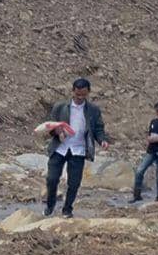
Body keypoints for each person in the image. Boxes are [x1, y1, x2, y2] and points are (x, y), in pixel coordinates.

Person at [43, 78, 110, 218]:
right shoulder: (60, 107)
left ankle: (67, 209)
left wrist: (102, 140)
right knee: (52, 179)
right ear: (72, 91)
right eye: (77, 94)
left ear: (88, 93)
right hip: (60, 147)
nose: (80, 98)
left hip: (78, 149)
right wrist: (57, 132)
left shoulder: (93, 110)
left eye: (83, 95)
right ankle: (50, 205)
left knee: (74, 183)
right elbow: (50, 126)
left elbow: (98, 128)